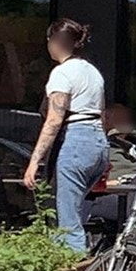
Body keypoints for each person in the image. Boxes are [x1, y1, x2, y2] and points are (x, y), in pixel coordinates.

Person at [24, 19, 107, 253]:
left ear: (55, 43)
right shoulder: (93, 72)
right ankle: (64, 270)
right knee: (72, 212)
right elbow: (102, 114)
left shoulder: (62, 73)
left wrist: (34, 161)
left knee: (66, 221)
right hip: (98, 143)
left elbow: (53, 120)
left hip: (76, 142)